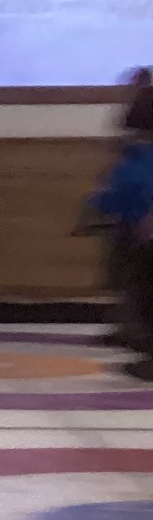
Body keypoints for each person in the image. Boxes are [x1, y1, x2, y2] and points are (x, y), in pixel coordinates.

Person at [91, 118, 153, 378]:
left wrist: (98, 202)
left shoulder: (134, 162)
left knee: (140, 289)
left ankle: (142, 340)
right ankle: (138, 336)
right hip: (141, 232)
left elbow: (115, 197)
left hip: (140, 234)